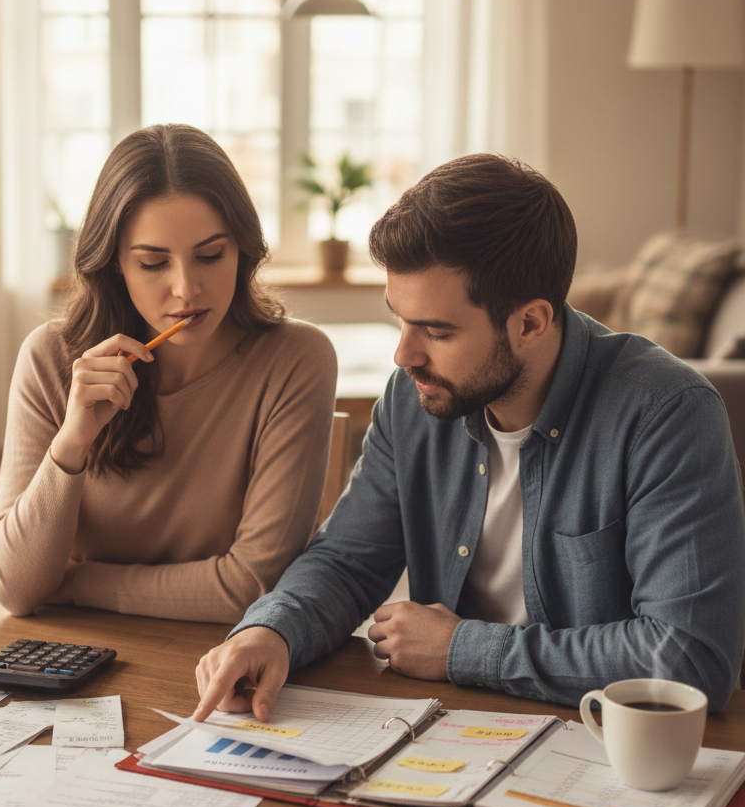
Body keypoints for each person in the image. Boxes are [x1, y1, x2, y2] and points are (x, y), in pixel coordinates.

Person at [194, 152, 745, 719]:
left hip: (600, 748)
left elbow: (689, 655)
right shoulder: (413, 398)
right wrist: (270, 632)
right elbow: (348, 561)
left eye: (436, 330)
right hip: (449, 733)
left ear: (530, 323)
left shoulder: (667, 415)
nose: (404, 355)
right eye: (399, 319)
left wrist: (462, 650)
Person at [0, 124, 337, 623]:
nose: (186, 289)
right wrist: (71, 442)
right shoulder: (51, 360)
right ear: (115, 266)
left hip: (223, 662)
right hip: (76, 661)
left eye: (211, 256)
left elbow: (254, 586)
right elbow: (16, 590)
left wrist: (81, 581)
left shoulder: (296, 359)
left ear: (243, 250)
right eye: (153, 263)